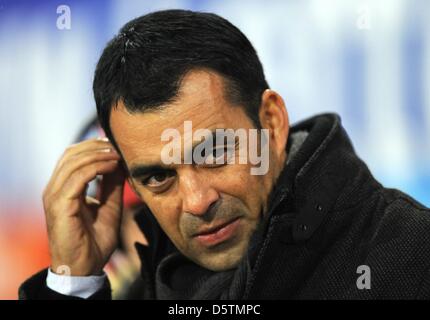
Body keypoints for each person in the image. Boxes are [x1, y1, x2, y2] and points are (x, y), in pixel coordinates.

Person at [19, 9, 430, 300]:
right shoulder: (139, 289)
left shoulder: (412, 256)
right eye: (158, 177)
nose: (198, 202)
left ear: (270, 121)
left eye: (214, 152)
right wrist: (74, 282)